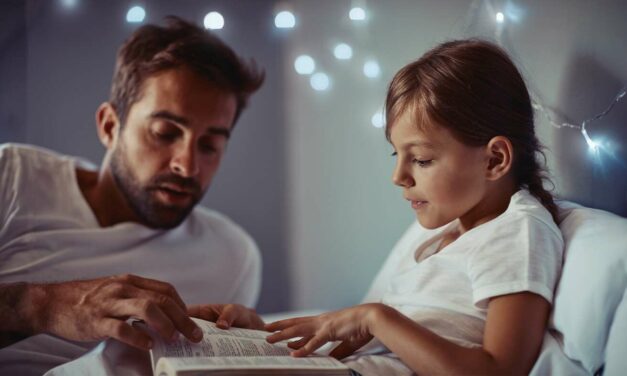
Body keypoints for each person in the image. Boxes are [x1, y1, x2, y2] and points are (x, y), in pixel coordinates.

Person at [265, 39, 564, 375]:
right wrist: (259, 336)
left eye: (421, 159)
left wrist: (375, 316)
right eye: (397, 154)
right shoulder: (452, 231)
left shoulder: (517, 233)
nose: (398, 176)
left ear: (494, 159)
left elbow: (500, 370)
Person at [0, 16, 266, 374]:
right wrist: (44, 306)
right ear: (110, 126)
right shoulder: (11, 177)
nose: (187, 166)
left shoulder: (234, 256)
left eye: (210, 145)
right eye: (164, 132)